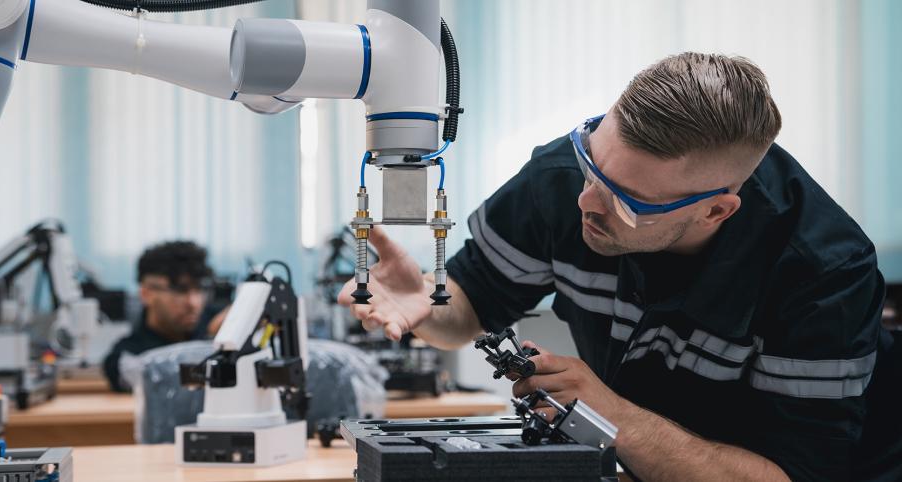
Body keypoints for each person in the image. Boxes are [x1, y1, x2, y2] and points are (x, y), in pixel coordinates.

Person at [339, 53, 901, 481]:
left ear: (715, 211)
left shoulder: (823, 271)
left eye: (626, 201)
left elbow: (789, 475)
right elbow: (469, 309)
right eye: (590, 164)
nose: (587, 202)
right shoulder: (562, 183)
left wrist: (615, 417)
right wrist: (429, 303)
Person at [103, 240, 228, 392]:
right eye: (180, 290)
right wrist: (210, 343)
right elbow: (161, 379)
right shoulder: (128, 354)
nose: (193, 303)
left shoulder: (218, 321)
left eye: (199, 289)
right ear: (146, 293)